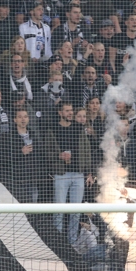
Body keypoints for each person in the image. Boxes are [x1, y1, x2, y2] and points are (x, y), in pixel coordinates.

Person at [44, 101, 90, 244]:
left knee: (75, 212)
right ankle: (58, 245)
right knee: (59, 211)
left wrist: (88, 172)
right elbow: (45, 152)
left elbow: (87, 150)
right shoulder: (52, 129)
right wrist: (58, 156)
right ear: (60, 113)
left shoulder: (79, 128)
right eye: (67, 111)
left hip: (78, 175)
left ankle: (72, 243)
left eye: (71, 110)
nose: (70, 113)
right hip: (61, 174)